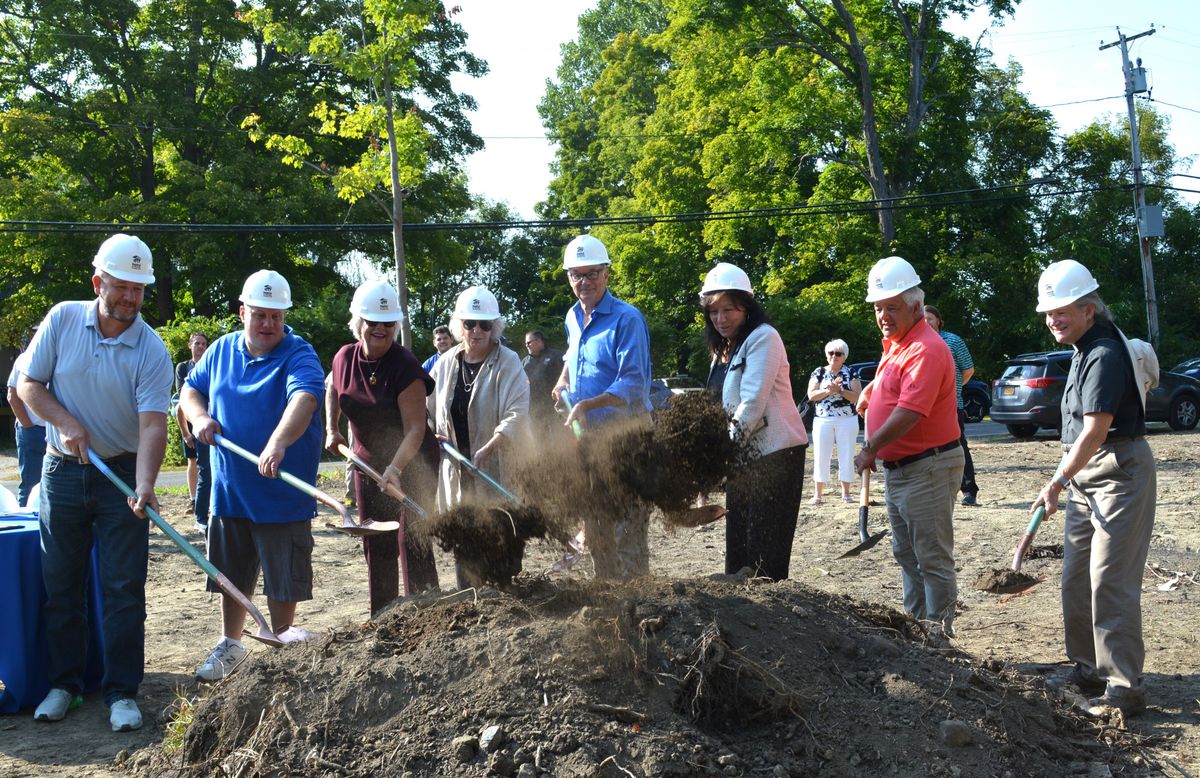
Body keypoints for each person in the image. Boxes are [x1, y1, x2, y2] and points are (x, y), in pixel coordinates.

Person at [18, 234, 172, 732]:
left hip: (121, 475)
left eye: (139, 290)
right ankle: (64, 685)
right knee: (61, 585)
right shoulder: (63, 319)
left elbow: (153, 424)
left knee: (124, 588)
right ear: (98, 282)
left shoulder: (151, 348)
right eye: (122, 287)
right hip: (62, 471)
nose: (130, 298)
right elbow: (28, 384)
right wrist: (65, 422)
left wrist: (145, 484)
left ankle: (121, 692)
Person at [180, 269, 324, 681]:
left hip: (281, 494)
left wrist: (278, 442)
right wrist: (200, 416)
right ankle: (232, 644)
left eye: (276, 316)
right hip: (230, 491)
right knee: (231, 573)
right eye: (260, 315)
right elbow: (191, 389)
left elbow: (305, 399)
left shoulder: (299, 353)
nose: (268, 325)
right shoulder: (222, 349)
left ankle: (280, 644)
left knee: (285, 577)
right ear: (242, 312)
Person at [1030, 260, 1156, 717]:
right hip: (1085, 475)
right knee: (1076, 579)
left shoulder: (1103, 352)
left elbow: (1095, 430)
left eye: (1062, 310)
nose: (1053, 320)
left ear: (1088, 309)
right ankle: (1087, 668)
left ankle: (1124, 686)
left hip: (1119, 473)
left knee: (1110, 580)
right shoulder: (1082, 348)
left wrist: (1057, 480)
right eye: (1049, 313)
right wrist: (1068, 478)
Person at [853, 256, 963, 637]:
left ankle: (938, 638)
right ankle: (916, 631)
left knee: (931, 558)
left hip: (927, 467)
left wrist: (870, 447)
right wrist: (872, 389)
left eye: (892, 307)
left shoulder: (925, 348)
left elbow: (911, 411)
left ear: (916, 307)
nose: (883, 314)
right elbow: (894, 385)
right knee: (907, 555)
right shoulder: (898, 343)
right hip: (902, 469)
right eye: (879, 307)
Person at [326, 280, 440, 614]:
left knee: (413, 539)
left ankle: (428, 611)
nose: (380, 328)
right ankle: (385, 614)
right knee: (377, 539)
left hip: (413, 460)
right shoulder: (344, 357)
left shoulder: (405, 367)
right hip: (366, 462)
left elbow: (416, 428)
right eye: (372, 321)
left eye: (388, 322)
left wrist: (395, 470)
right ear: (357, 321)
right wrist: (332, 429)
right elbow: (332, 387)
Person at [552, 234, 653, 580]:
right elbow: (572, 355)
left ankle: (638, 603)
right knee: (596, 526)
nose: (585, 282)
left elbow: (634, 382)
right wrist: (563, 379)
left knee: (627, 530)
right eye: (576, 275)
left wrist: (588, 403)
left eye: (592, 273)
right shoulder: (572, 317)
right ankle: (607, 599)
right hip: (589, 440)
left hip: (626, 440)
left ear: (607, 273)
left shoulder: (627, 319)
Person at [701, 263, 808, 581]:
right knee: (739, 550)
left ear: (746, 306)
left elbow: (751, 404)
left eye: (729, 309)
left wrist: (719, 456)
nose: (721, 318)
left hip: (775, 457)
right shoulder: (724, 350)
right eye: (714, 311)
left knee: (764, 559)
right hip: (742, 459)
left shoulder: (765, 338)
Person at [428, 286, 530, 588]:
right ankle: (471, 603)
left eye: (485, 324)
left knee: (500, 542)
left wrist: (493, 444)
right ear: (459, 325)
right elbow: (429, 409)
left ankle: (504, 604)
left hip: (498, 465)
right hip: (459, 470)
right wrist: (433, 431)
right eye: (470, 323)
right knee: (466, 545)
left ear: (494, 327)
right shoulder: (446, 363)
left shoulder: (508, 361)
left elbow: (517, 411)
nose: (477, 330)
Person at [923, 305, 979, 506]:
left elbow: (968, 370)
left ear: (939, 320)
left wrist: (953, 388)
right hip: (924, 407)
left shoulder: (953, 341)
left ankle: (969, 490)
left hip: (952, 405)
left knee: (958, 446)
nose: (926, 321)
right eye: (922, 318)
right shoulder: (916, 342)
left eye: (930, 317)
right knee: (927, 450)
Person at [806, 339, 861, 504]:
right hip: (823, 419)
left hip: (847, 420)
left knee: (847, 453)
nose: (834, 356)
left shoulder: (851, 372)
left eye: (838, 353)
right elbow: (811, 395)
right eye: (831, 353)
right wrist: (827, 389)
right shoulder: (819, 372)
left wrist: (840, 390)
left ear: (844, 356)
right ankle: (818, 494)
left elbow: (857, 397)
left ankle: (846, 493)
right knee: (821, 455)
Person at [173, 331, 211, 531]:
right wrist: (186, 433)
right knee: (194, 462)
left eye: (204, 343)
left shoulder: (211, 365)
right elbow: (182, 400)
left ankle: (204, 509)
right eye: (197, 343)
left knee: (208, 467)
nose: (200, 346)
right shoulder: (183, 367)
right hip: (189, 418)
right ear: (190, 345)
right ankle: (195, 501)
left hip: (207, 417)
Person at [7, 344, 47, 507]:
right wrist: (29, 426)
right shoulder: (24, 359)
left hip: (58, 432)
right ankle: (26, 527)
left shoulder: (62, 357)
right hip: (33, 431)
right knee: (30, 485)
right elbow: (12, 396)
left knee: (57, 487)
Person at [522, 330, 564, 435]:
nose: (527, 345)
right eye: (526, 343)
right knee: (539, 441)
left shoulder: (556, 356)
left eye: (529, 342)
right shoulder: (524, 363)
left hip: (555, 407)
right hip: (535, 410)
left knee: (557, 439)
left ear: (539, 341)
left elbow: (565, 378)